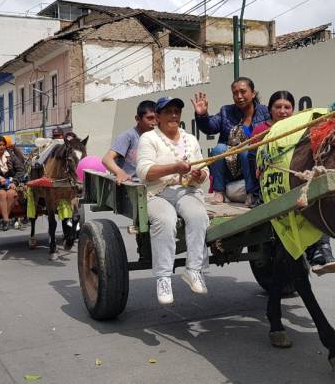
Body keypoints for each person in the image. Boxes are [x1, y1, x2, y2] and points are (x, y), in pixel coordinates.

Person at [254, 90, 335, 275]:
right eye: (278, 107)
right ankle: (316, 254)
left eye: (287, 107)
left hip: (295, 181)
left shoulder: (300, 130)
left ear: (293, 110)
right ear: (270, 110)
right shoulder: (261, 131)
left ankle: (322, 251)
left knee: (316, 202)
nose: (283, 111)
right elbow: (252, 160)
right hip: (270, 186)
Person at [136, 97, 211, 305]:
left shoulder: (190, 139)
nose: (174, 115)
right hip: (157, 193)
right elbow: (144, 172)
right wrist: (174, 168)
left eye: (177, 111)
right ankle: (163, 278)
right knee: (165, 221)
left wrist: (200, 175)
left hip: (186, 191)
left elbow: (205, 168)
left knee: (199, 216)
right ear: (158, 117)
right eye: (168, 111)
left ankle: (193, 270)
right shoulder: (149, 138)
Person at [192, 77, 270, 205]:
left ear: (253, 93)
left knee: (246, 151)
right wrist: (202, 115)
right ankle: (219, 192)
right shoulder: (226, 112)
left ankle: (251, 194)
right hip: (231, 168)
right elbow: (210, 128)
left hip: (254, 166)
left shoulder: (265, 112)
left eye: (243, 92)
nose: (239, 96)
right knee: (219, 149)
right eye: (235, 93)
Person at [102, 100, 157, 184]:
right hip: (129, 185)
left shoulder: (156, 138)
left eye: (156, 118)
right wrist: (120, 172)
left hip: (149, 185)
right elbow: (107, 159)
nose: (154, 123)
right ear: (137, 119)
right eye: (150, 118)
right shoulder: (128, 136)